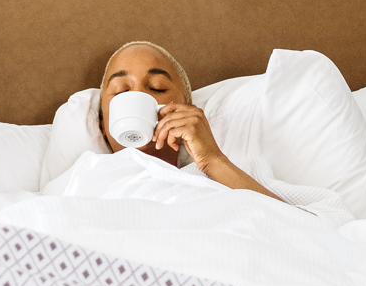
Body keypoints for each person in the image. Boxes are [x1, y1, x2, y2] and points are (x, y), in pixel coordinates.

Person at [95, 40, 289, 202]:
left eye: (157, 88)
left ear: (186, 108)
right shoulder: (81, 178)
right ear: (103, 123)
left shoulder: (236, 177)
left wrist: (212, 160)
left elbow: (305, 229)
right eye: (121, 91)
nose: (138, 95)